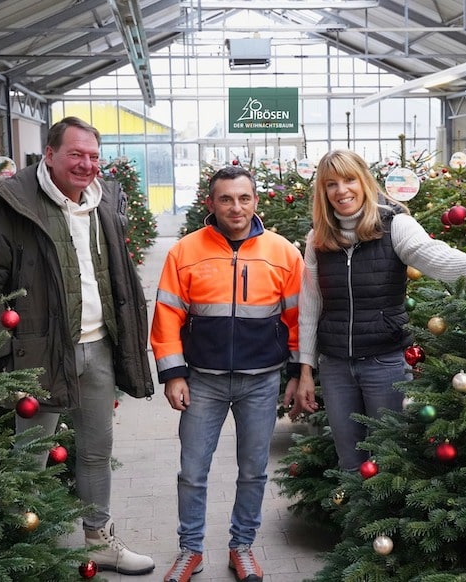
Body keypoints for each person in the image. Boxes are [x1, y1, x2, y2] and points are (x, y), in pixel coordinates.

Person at [0, 116, 155, 575]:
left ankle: (99, 540)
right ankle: (22, 546)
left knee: (95, 450)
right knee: (30, 453)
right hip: (39, 354)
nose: (86, 164)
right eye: (76, 154)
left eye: (93, 156)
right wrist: (6, 349)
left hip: (98, 347)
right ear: (49, 155)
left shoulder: (104, 201)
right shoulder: (15, 206)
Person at [285, 149, 466, 472]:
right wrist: (305, 371)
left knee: (389, 460)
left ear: (364, 181)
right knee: (350, 462)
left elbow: (434, 256)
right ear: (323, 192)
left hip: (384, 363)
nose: (341, 191)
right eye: (331, 184)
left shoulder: (395, 225)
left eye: (349, 180)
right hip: (335, 366)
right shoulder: (319, 239)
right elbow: (311, 306)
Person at [150, 164, 303, 582]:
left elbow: (297, 318)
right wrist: (173, 374)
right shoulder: (185, 251)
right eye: (226, 199)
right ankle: (190, 550)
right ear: (211, 203)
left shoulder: (283, 252)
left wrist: (297, 372)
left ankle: (242, 547)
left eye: (244, 198)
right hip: (203, 381)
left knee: (253, 471)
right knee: (192, 471)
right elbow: (166, 316)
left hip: (262, 381)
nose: (236, 207)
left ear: (256, 201)